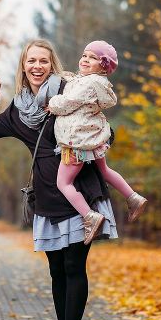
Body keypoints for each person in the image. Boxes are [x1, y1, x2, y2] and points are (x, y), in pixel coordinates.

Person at [0, 39, 117, 320]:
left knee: (73, 266)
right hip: (47, 196)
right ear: (23, 66)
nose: (37, 66)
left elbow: (107, 130)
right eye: (31, 61)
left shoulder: (71, 90)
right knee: (56, 272)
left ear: (51, 63)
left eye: (43, 60)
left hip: (79, 191)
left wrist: (94, 143)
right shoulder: (17, 110)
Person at [48, 40, 147, 244]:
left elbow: (67, 103)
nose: (85, 60)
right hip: (91, 139)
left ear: (103, 65)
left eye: (92, 58)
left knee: (63, 182)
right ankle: (133, 197)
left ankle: (89, 216)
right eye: (84, 55)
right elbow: (78, 85)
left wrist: (52, 103)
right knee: (104, 170)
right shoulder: (95, 82)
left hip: (76, 142)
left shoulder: (89, 84)